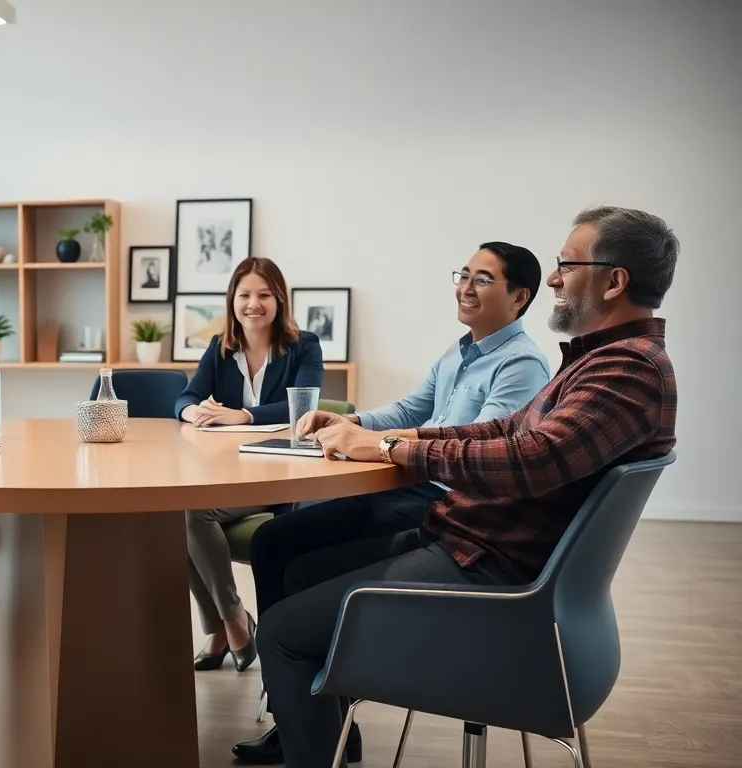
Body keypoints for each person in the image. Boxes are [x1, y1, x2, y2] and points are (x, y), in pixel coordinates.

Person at [238, 206, 679, 768]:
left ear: (615, 280)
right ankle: (322, 734)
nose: (553, 278)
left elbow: (531, 458)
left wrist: (394, 448)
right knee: (296, 566)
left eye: (567, 264)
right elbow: (504, 428)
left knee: (278, 630)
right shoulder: (598, 362)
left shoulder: (628, 370)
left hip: (494, 574)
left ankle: (317, 735)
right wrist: (386, 436)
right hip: (474, 544)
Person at [234, 241, 550, 764]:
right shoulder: (459, 350)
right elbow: (413, 407)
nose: (465, 287)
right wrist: (351, 422)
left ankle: (315, 717)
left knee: (305, 557)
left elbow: (469, 442)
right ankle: (300, 714)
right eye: (463, 274)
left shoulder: (522, 365)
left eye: (483, 279)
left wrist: (379, 444)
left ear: (520, 297)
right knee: (275, 540)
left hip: (448, 504)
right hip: (407, 486)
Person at [173, 257, 323, 672]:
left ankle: (231, 625)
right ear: (232, 301)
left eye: (263, 295)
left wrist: (245, 415)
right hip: (226, 475)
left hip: (279, 478)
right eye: (244, 295)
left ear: (279, 300)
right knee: (176, 515)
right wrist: (194, 412)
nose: (253, 304)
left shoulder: (303, 346)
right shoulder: (220, 348)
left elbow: (303, 403)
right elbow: (185, 398)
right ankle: (228, 623)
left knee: (192, 512)